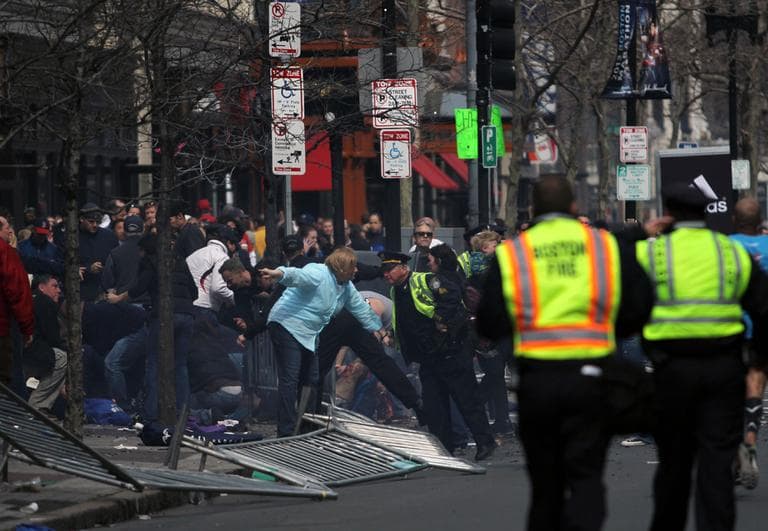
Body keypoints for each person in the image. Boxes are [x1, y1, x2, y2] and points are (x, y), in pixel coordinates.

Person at [476, 175, 654, 530]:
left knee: (546, 487)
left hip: (538, 382)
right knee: (587, 477)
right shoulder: (604, 245)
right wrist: (610, 331)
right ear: (574, 207)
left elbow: (489, 323)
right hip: (591, 377)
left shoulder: (512, 253)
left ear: (532, 209)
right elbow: (640, 304)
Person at [637, 185, 768, 530]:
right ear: (708, 213)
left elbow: (627, 310)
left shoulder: (651, 253)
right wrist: (755, 356)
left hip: (670, 371)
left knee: (674, 467)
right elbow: (763, 310)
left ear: (669, 212)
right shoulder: (730, 252)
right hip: (723, 368)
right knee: (717, 465)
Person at [381, 247, 496, 461]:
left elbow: (451, 296)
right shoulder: (396, 290)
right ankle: (445, 449)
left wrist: (441, 321)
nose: (385, 274)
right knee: (435, 405)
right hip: (429, 357)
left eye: (389, 269)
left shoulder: (426, 280)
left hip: (451, 352)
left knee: (466, 400)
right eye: (384, 270)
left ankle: (485, 442)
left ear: (403, 268)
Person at [259, 247, 387, 437]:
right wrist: (278, 273)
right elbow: (297, 276)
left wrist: (380, 329)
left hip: (308, 334)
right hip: (286, 325)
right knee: (290, 379)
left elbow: (361, 310)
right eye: (353, 267)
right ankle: (285, 432)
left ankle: (306, 426)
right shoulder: (319, 272)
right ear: (343, 267)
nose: (356, 270)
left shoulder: (346, 287)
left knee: (312, 378)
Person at [730, 197, 768, 489]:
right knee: (756, 380)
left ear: (734, 220)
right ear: (760, 223)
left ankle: (731, 446)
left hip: (727, 325)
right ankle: (750, 439)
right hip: (761, 326)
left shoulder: (723, 247)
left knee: (728, 387)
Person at [26, 275, 67, 417]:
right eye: (54, 286)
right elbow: (52, 336)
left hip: (19, 349)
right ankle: (38, 406)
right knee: (62, 358)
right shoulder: (44, 303)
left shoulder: (30, 300)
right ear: (41, 287)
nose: (59, 291)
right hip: (31, 350)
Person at [0, 228, 34, 386]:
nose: (10, 232)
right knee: (10, 382)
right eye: (7, 228)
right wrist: (26, 328)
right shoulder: (6, 252)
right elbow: (17, 290)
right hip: (4, 329)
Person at [78, 203, 119, 302]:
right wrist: (87, 269)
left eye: (98, 222)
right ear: (82, 219)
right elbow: (62, 263)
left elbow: (118, 262)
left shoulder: (109, 236)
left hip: (106, 291)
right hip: (81, 291)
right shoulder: (72, 238)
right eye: (91, 222)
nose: (95, 225)